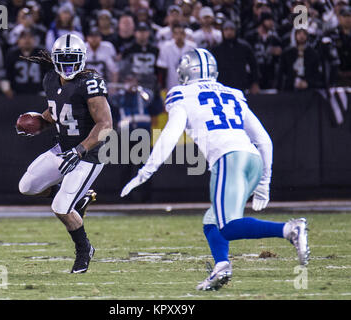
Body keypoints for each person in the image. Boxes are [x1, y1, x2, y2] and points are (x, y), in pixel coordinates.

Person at [120, 48, 310, 290]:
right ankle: (222, 266)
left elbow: (170, 134)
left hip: (228, 159)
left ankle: (290, 229)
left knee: (228, 226)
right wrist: (264, 181)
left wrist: (146, 170)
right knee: (212, 220)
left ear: (185, 73)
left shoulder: (181, 93)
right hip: (252, 160)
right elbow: (263, 139)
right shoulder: (232, 93)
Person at [17, 34, 113, 274]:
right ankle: (75, 198)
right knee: (27, 186)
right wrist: (40, 122)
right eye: (64, 60)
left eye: (73, 60)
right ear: (55, 59)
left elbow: (105, 125)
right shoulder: (50, 78)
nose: (69, 65)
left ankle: (84, 250)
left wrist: (81, 150)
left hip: (89, 154)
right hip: (63, 149)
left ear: (82, 59)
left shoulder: (90, 82)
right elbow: (57, 113)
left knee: (60, 208)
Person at [211, 20, 260, 94]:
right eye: (226, 29)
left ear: (236, 31)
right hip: (222, 87)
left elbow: (253, 65)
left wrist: (255, 83)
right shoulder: (216, 49)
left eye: (231, 29)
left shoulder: (244, 47)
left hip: (241, 86)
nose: (229, 32)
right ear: (222, 31)